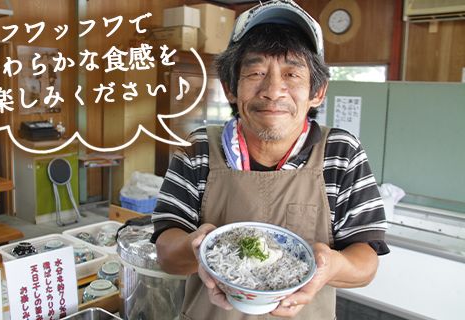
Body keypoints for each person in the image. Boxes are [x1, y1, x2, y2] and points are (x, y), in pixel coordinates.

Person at [151, 0, 389, 319]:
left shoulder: (341, 152)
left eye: (291, 73)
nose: (273, 90)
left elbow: (366, 259)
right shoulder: (198, 149)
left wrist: (332, 266)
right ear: (230, 88)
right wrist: (196, 250)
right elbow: (167, 251)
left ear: (317, 92)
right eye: (256, 72)